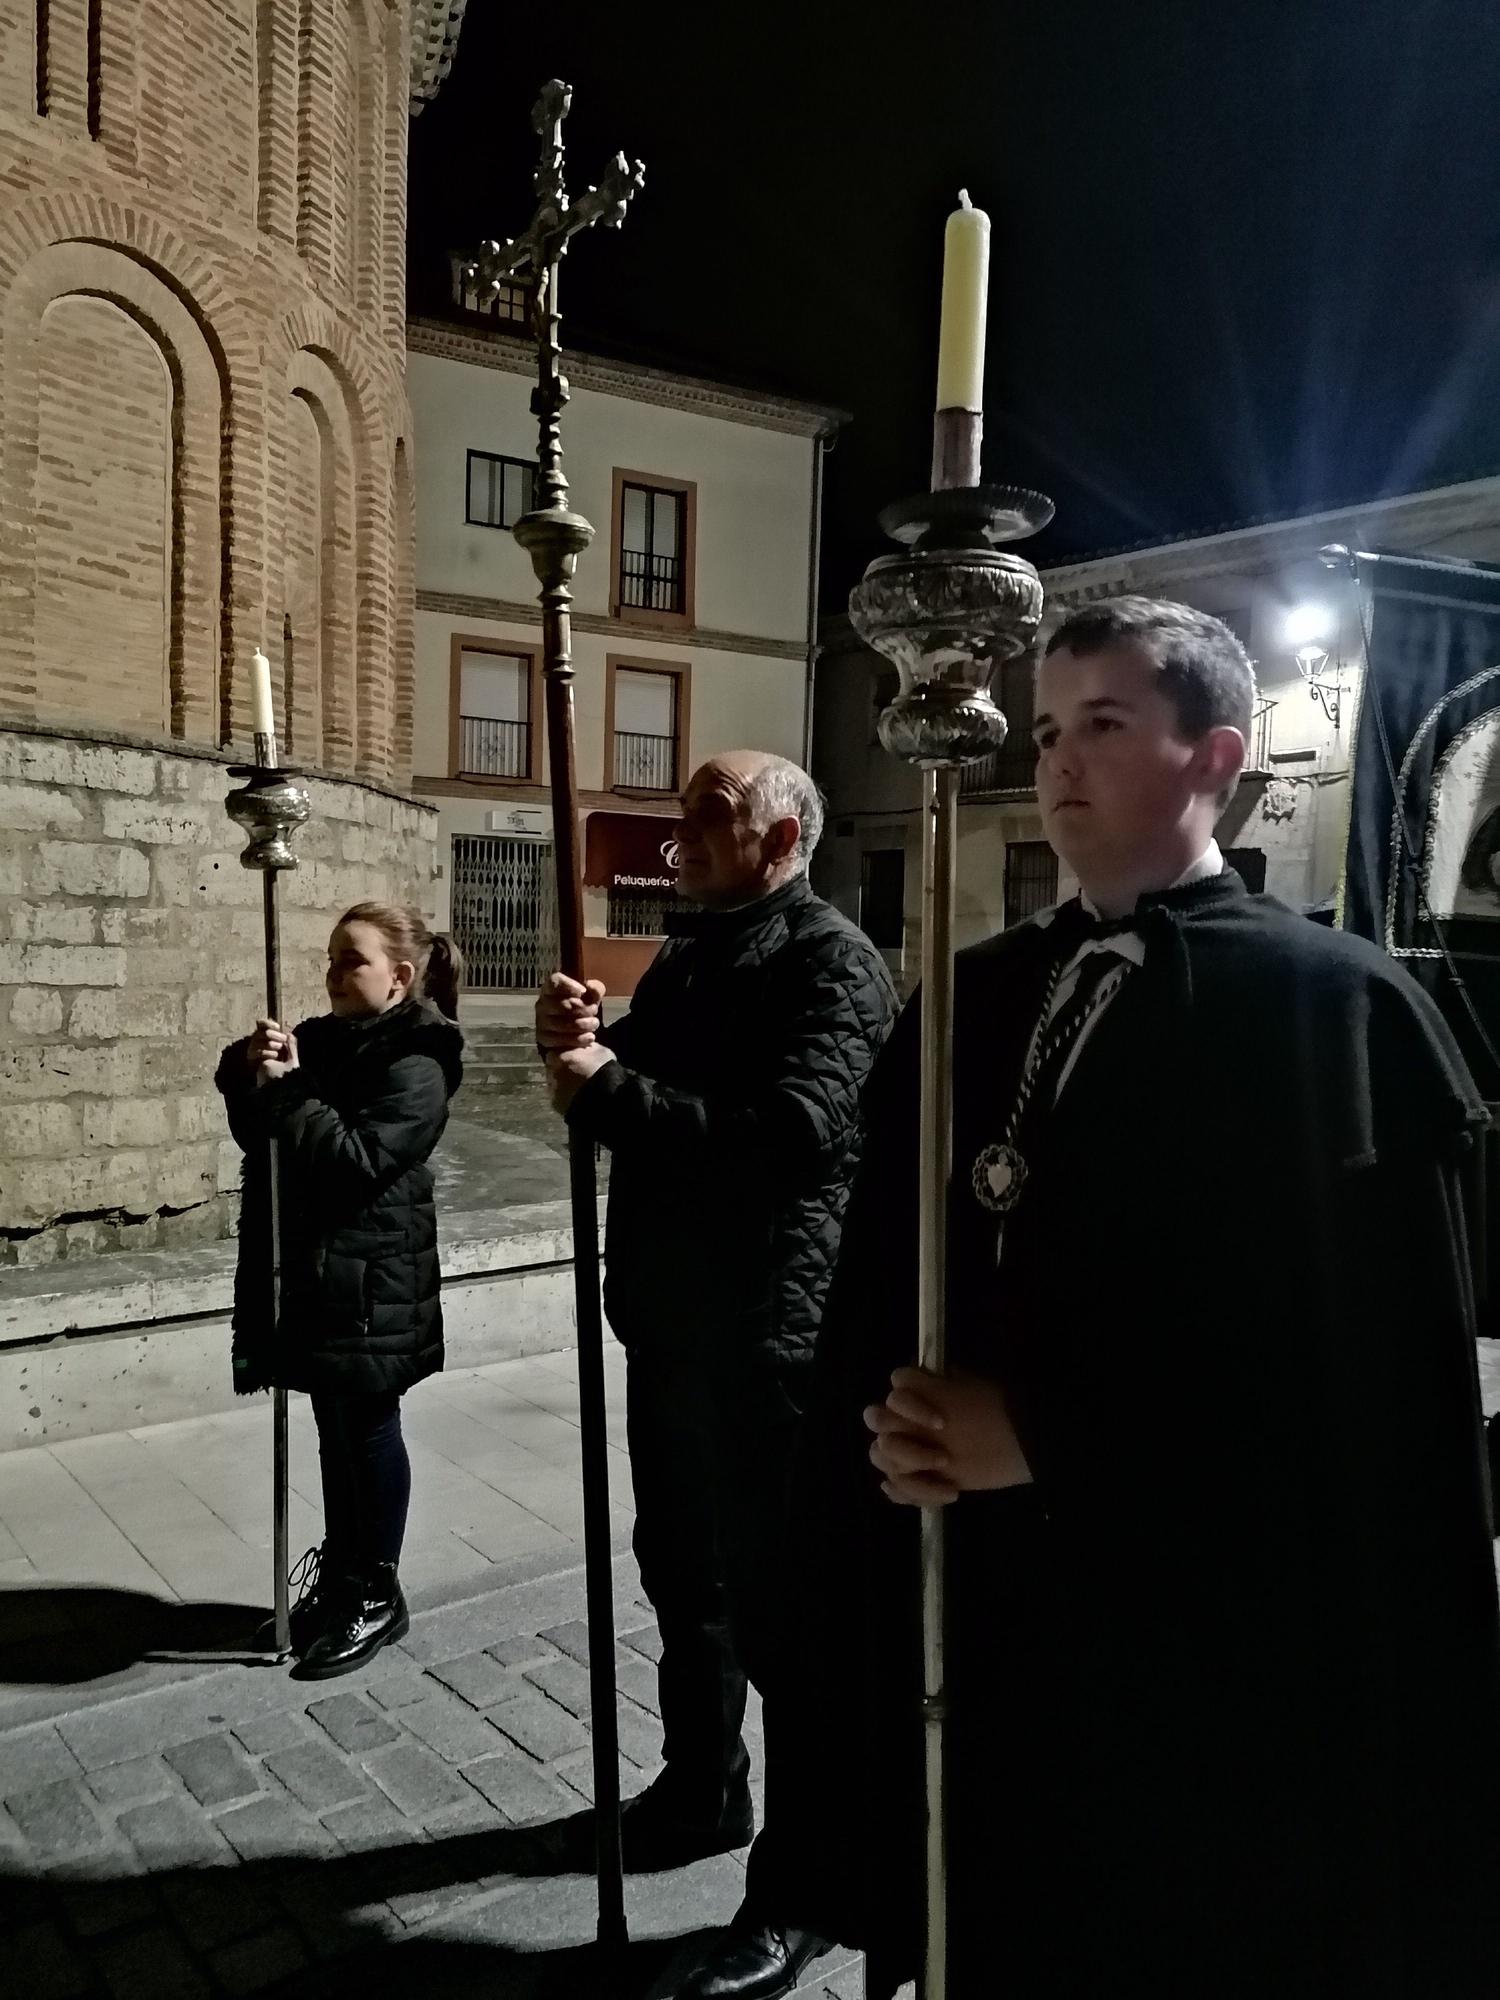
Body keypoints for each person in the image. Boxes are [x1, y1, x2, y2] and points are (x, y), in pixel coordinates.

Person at [781, 598, 1500, 1997]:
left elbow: (1351, 1400)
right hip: (988, 1618)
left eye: (1104, 725)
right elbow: (882, 1287)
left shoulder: (1333, 1016)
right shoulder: (970, 998)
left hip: (1199, 1654)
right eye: (1047, 730)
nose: (1058, 762)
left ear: (1215, 756)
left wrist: (1048, 1435)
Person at [535, 750, 897, 2000]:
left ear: (782, 835)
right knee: (683, 1578)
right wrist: (581, 1040)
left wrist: (609, 1088)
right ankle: (703, 1790)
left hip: (771, 1343)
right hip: (675, 1331)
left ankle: (804, 1889)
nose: (681, 831)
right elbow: (629, 1068)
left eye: (711, 813)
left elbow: (789, 1135)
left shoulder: (831, 963)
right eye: (685, 809)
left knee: (786, 1620)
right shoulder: (697, 951)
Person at [215, 901, 464, 1681]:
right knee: (334, 1430)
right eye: (328, 958)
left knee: (367, 1430)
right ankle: (344, 1576)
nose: (331, 974)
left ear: (401, 976)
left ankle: (376, 1591)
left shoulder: (418, 1062)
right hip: (320, 1275)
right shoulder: (322, 1042)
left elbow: (358, 1161)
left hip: (371, 1281)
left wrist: (291, 1093)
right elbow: (270, 1137)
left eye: (349, 960)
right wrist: (251, 1070)